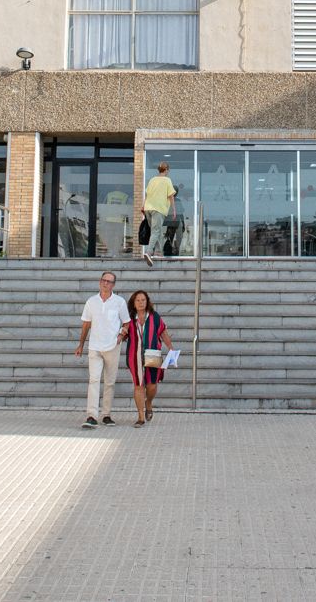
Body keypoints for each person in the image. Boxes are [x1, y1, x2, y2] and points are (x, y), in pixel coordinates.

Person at [74, 270, 130, 429]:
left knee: (110, 382)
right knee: (94, 380)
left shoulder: (119, 302)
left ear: (113, 285)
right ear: (100, 282)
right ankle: (91, 415)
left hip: (113, 346)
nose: (106, 283)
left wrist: (121, 334)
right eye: (104, 280)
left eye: (109, 281)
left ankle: (106, 414)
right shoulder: (91, 301)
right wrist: (81, 345)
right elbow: (86, 324)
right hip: (95, 346)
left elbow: (126, 322)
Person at [122, 289, 172, 427]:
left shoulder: (155, 317)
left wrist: (171, 348)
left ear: (147, 301)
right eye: (137, 300)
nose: (141, 302)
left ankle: (148, 402)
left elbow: (163, 333)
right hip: (134, 356)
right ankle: (140, 416)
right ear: (133, 303)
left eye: (143, 300)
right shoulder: (129, 318)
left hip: (153, 354)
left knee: (152, 385)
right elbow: (123, 335)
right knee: (138, 385)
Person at [141, 160, 177, 267]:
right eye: (168, 170)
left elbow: (147, 194)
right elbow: (171, 196)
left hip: (148, 208)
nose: (168, 172)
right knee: (156, 231)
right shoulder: (167, 180)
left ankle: (158, 252)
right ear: (166, 170)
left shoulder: (152, 180)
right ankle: (148, 252)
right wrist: (174, 210)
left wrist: (143, 206)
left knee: (157, 231)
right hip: (158, 209)